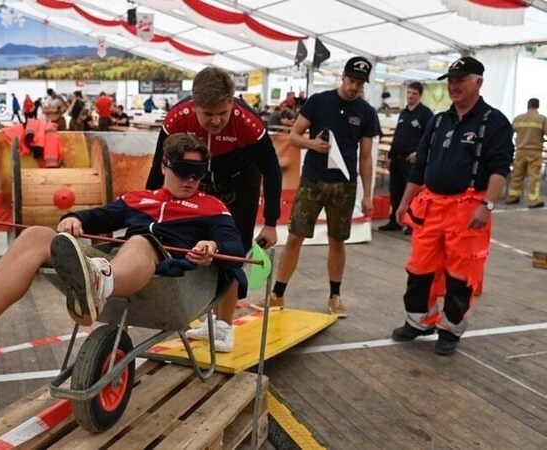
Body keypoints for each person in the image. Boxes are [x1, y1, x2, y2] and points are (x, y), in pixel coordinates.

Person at [0, 133, 245, 363]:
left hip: (168, 274)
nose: (191, 180)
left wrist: (211, 243)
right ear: (166, 165)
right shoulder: (140, 199)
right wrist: (74, 219)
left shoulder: (211, 207)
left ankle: (99, 282)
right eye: (184, 170)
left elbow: (233, 244)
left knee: (141, 240)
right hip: (119, 267)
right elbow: (99, 216)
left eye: (199, 173)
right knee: (35, 235)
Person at [146, 67, 281, 352]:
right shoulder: (176, 119)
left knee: (229, 253)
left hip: (241, 187)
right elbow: (158, 168)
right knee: (200, 250)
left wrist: (270, 222)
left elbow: (272, 171)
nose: (217, 120)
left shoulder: (249, 123)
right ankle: (208, 319)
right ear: (193, 105)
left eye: (223, 112)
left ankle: (224, 327)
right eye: (208, 114)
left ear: (232, 101)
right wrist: (149, 207)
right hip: (202, 186)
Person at [391, 56, 514, 356]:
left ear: (478, 83)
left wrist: (487, 205)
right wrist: (405, 201)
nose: (454, 86)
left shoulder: (494, 121)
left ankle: (450, 328)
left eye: (461, 80)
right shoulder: (438, 121)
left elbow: (501, 167)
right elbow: (420, 166)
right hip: (430, 206)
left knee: (461, 273)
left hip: (468, 208)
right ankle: (419, 321)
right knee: (419, 267)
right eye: (451, 80)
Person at [251, 56, 378, 318]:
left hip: (344, 185)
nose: (355, 87)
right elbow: (295, 136)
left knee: (338, 241)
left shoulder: (366, 112)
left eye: (360, 83)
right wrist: (313, 145)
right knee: (295, 236)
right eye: (352, 80)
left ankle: (335, 296)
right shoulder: (320, 101)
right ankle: (278, 295)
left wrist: (368, 194)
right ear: (343, 77)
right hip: (313, 180)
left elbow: (366, 157)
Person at [378, 82, 434, 232]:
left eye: (414, 93)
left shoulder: (425, 114)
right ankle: (395, 221)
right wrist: (390, 156)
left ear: (419, 95)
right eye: (409, 93)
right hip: (397, 158)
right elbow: (397, 136)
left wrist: (418, 153)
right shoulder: (404, 113)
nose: (411, 96)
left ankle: (411, 222)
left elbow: (429, 137)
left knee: (411, 193)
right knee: (395, 191)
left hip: (412, 160)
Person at [506, 98, 546, 208]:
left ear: (528, 105)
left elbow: (508, 133)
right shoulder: (541, 119)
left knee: (517, 175)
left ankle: (512, 197)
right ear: (537, 106)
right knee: (534, 176)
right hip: (535, 152)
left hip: (520, 151)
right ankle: (533, 201)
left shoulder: (518, 119)